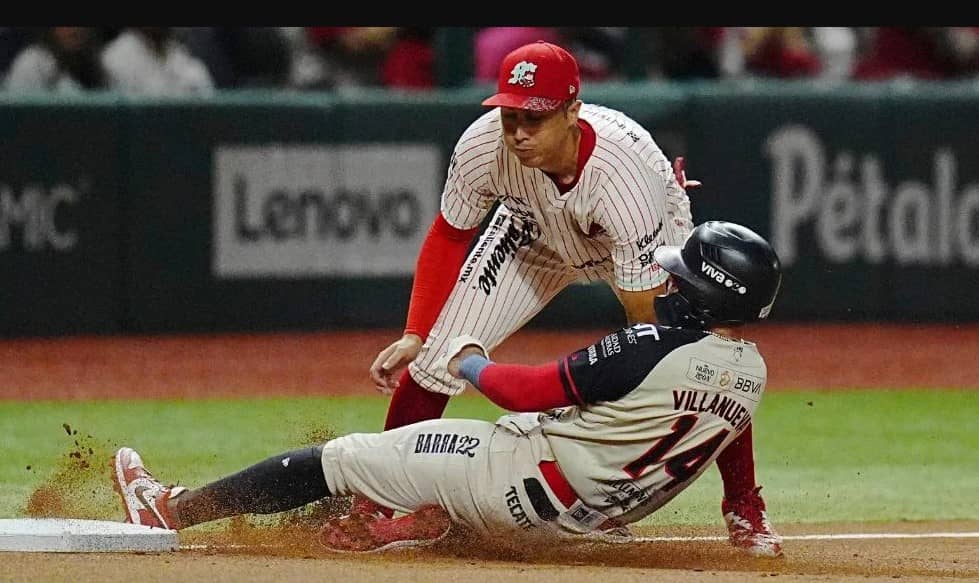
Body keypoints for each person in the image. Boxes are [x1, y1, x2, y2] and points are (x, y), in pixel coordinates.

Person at [327, 40, 780, 556]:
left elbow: (645, 342)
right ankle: (376, 502)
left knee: (702, 359)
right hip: (534, 232)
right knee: (432, 360)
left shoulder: (624, 182)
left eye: (535, 119)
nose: (518, 133)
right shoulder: (483, 148)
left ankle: (743, 505)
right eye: (510, 116)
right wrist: (415, 332)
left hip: (638, 237)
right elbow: (451, 233)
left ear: (572, 111)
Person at [112, 221, 783, 556]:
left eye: (678, 276)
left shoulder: (648, 349)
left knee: (340, 457)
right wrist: (743, 504)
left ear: (697, 294)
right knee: (473, 464)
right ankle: (418, 522)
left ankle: (170, 508)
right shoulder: (750, 372)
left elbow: (524, 391)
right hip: (584, 522)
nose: (665, 282)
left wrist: (465, 358)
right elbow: (719, 427)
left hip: (514, 481)